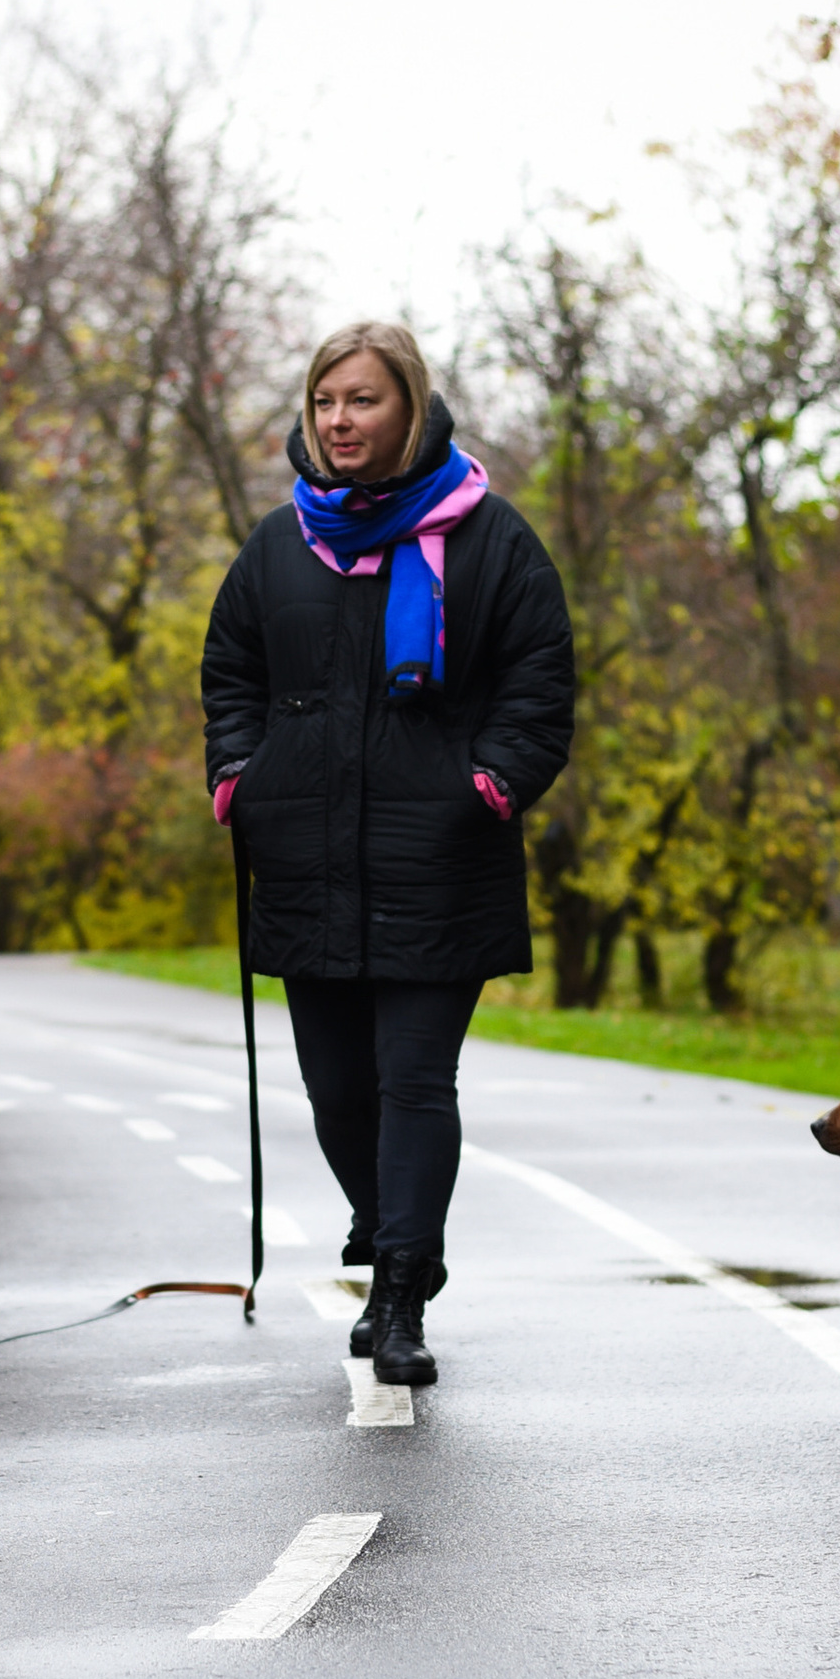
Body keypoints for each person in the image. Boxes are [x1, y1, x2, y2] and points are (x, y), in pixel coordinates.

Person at [201, 318, 574, 1388]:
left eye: (361, 400)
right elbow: (230, 671)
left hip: (439, 859)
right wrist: (242, 776)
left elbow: (538, 687)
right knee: (335, 1091)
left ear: (409, 407)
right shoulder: (282, 544)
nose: (338, 420)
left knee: (413, 1081)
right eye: (324, 401)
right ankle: (393, 1226)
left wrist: (486, 786)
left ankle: (399, 1292)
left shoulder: (490, 541)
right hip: (306, 856)